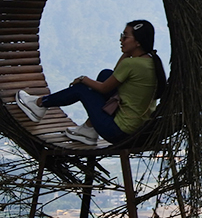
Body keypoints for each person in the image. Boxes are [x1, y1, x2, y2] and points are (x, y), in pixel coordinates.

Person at [16, 20, 167, 146]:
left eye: (125, 36)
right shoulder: (150, 61)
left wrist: (83, 79)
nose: (121, 40)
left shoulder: (132, 64)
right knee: (106, 74)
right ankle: (89, 129)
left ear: (138, 42)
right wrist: (127, 52)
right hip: (136, 129)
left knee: (82, 89)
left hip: (117, 132)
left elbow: (104, 88)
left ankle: (40, 104)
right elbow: (114, 77)